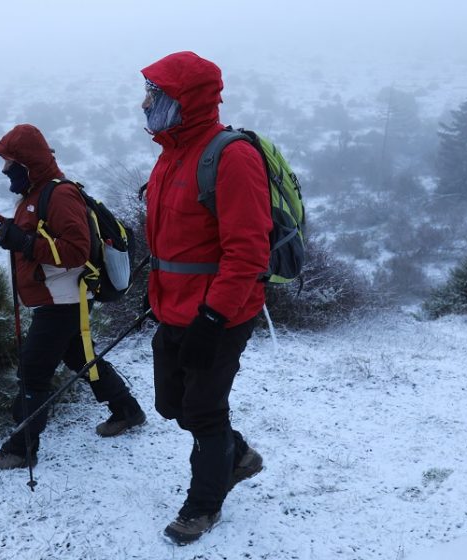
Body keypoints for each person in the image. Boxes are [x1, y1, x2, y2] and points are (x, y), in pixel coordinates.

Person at [0, 124, 146, 470]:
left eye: (9, 162)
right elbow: (22, 234)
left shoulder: (59, 195)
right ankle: (127, 411)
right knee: (80, 357)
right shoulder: (34, 194)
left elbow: (77, 250)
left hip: (62, 300)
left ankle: (21, 448)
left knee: (33, 372)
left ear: (27, 163)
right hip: (58, 299)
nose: (4, 170)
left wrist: (24, 243)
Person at [140, 51, 270, 545]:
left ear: (184, 100)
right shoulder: (171, 154)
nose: (145, 101)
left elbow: (248, 251)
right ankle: (237, 455)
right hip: (173, 307)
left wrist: (212, 318)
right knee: (173, 405)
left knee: (205, 410)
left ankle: (203, 505)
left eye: (155, 93)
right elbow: (174, 242)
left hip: (221, 313)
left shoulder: (231, 156)